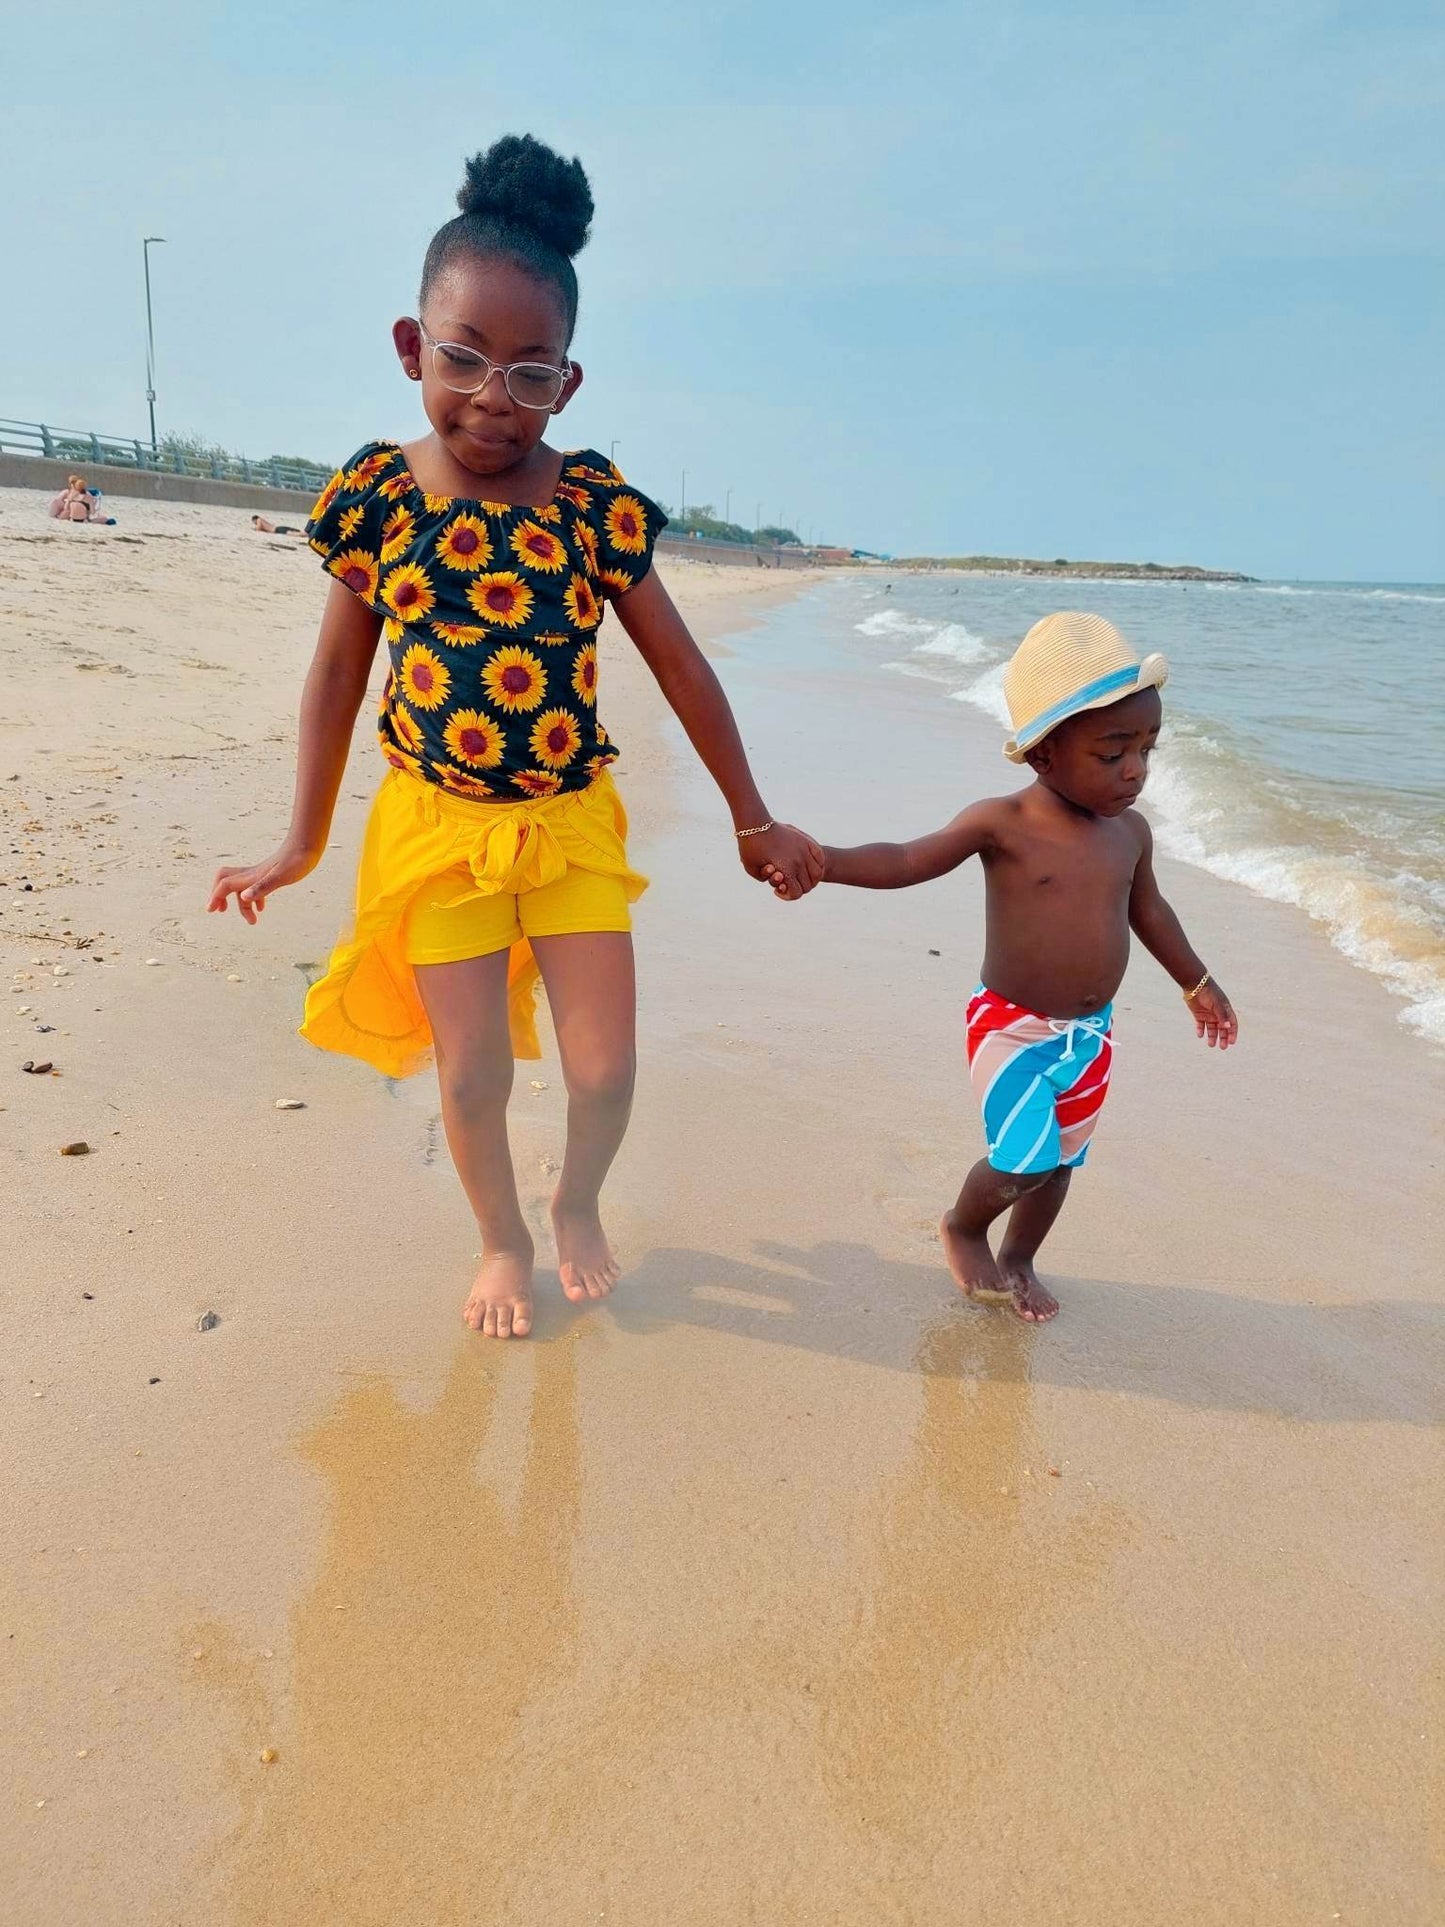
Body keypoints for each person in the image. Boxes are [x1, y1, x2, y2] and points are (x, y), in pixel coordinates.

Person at [209, 135, 822, 1339]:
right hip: (436, 830)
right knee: (474, 1075)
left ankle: (574, 1199)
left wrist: (753, 817)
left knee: (604, 1071)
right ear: (409, 348)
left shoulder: (589, 505)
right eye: (464, 360)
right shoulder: (380, 496)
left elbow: (683, 666)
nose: (494, 397)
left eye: (529, 373)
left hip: (570, 824)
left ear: (568, 383)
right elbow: (337, 674)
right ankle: (499, 1238)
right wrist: (301, 840)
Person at [791, 612, 1237, 1322]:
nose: (1134, 769)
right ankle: (964, 1226)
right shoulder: (1002, 822)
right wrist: (825, 862)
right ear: (1043, 755)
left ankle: (1020, 1256)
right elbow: (909, 858)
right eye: (1112, 751)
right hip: (1010, 1028)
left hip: (1089, 1034)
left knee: (1058, 1163)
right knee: (1021, 1160)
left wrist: (1196, 980)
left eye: (1147, 748)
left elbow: (1148, 912)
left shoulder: (1131, 833)